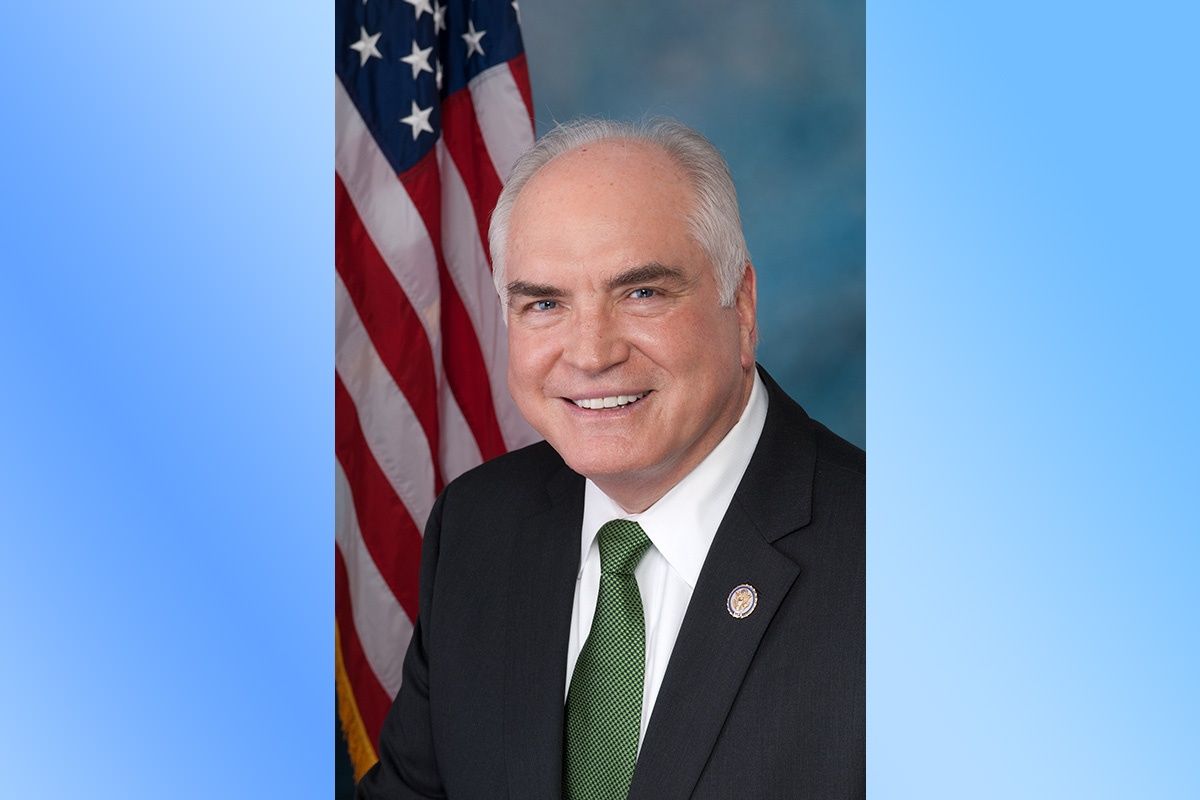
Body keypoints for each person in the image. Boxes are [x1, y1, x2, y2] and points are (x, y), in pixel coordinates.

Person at [356, 118, 864, 800]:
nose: (592, 354)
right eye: (544, 303)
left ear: (742, 307)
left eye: (642, 293)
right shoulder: (478, 527)